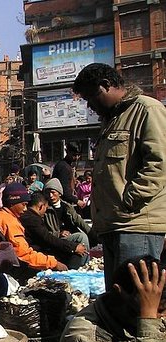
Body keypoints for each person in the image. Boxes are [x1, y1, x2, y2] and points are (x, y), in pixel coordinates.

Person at [73, 63, 166, 288]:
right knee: (117, 301)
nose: (90, 106)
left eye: (91, 98)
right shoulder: (112, 120)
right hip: (114, 225)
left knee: (136, 300)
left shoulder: (147, 110)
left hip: (136, 225)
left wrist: (129, 200)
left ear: (106, 86)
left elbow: (159, 163)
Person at [0, 183, 67, 283]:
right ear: (12, 202)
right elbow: (23, 253)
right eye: (24, 204)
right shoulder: (9, 222)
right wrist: (53, 263)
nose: (25, 209)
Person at [21, 192, 87, 270]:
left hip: (45, 246)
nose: (45, 211)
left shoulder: (32, 217)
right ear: (41, 206)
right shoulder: (32, 219)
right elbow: (47, 238)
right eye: (46, 207)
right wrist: (73, 248)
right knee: (76, 252)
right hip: (39, 252)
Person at [41, 178, 94, 269]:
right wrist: (58, 233)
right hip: (55, 239)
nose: (50, 195)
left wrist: (93, 235)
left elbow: (80, 222)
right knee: (81, 237)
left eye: (53, 192)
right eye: (48, 193)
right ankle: (81, 266)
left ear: (59, 193)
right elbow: (42, 231)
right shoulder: (44, 209)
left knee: (85, 237)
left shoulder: (67, 207)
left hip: (69, 236)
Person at [52, 142, 84, 208]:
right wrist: (77, 201)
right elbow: (64, 191)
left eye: (78, 155)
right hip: (62, 203)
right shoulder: (63, 167)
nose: (76, 157)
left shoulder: (67, 166)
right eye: (74, 155)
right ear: (67, 152)